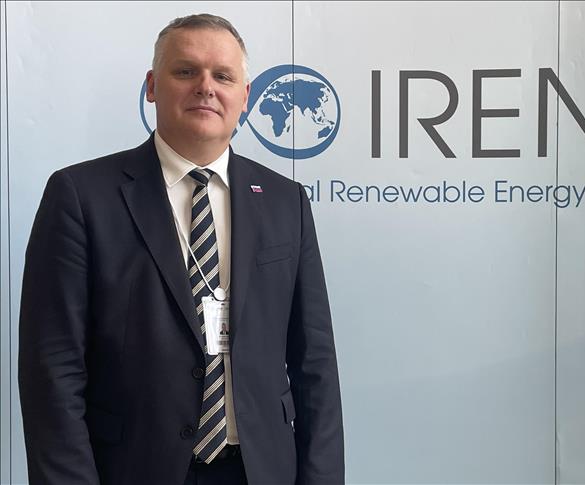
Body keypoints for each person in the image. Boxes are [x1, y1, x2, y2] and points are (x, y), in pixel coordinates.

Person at [18, 13, 343, 485]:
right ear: (152, 86)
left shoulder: (285, 201)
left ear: (245, 97)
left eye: (223, 76)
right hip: (131, 470)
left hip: (261, 470)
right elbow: (54, 369)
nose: (205, 87)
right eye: (186, 71)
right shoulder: (81, 196)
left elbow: (315, 363)